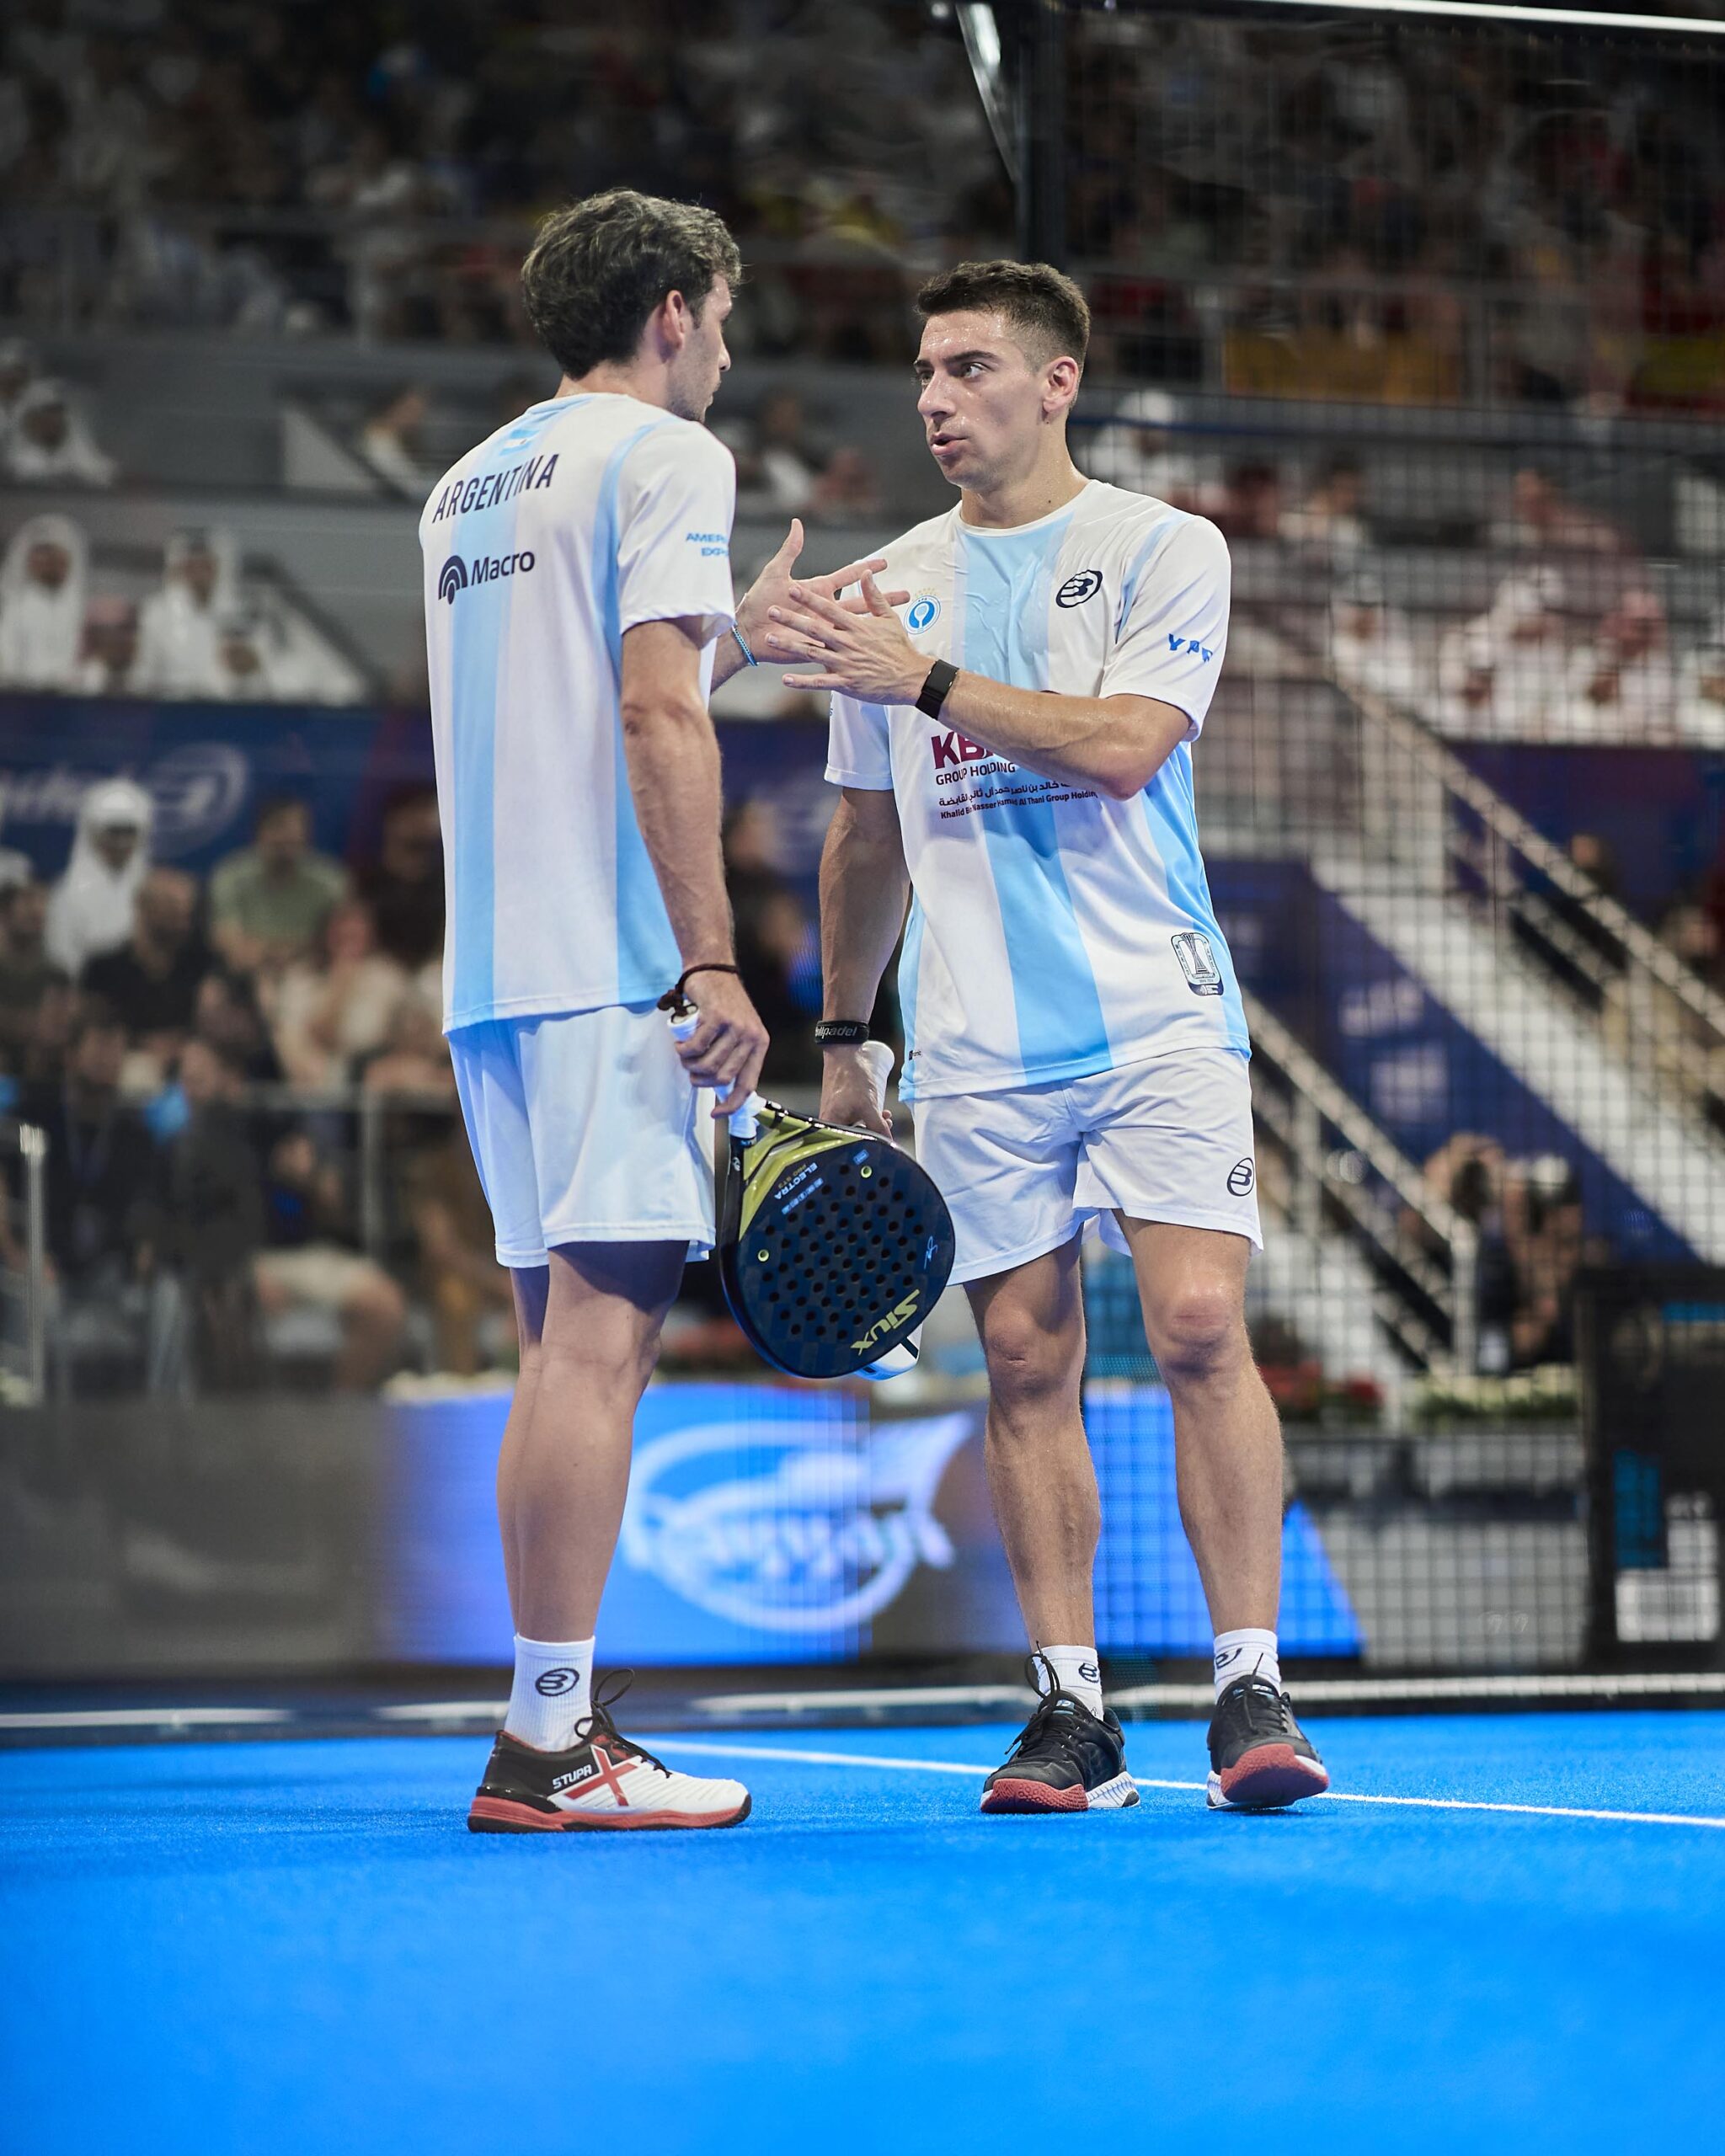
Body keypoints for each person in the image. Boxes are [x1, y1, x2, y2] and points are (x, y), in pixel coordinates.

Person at [768, 257, 1329, 1815]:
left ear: (1055, 380)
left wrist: (928, 678)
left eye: (968, 368)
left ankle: (1249, 1688)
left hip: (1158, 1014)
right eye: (924, 373)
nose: (936, 399)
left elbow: (1127, 747)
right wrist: (845, 1036)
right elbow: (865, 837)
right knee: (1022, 1360)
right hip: (974, 1046)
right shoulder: (881, 588)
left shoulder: (1163, 547)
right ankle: (1069, 1712)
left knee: (1199, 1327)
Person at [422, 187, 892, 1833]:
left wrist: (733, 640)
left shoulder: (465, 482)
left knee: (557, 1349)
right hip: (616, 968)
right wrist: (710, 960)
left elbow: (596, 688)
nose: (730, 354)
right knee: (601, 1347)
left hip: (493, 978)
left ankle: (544, 1718)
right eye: (727, 320)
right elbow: (642, 713)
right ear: (673, 311)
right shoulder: (667, 454)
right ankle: (550, 1747)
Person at [78, 867, 211, 1081]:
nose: (182, 919)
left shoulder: (203, 966)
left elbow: (214, 1024)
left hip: (190, 1061)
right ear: (142, 905)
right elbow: (94, 1028)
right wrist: (142, 1045)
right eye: (171, 907)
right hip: (121, 1062)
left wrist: (179, 1045)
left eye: (187, 910)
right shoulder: (103, 969)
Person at [270, 898, 409, 1087]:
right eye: (343, 935)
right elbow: (317, 1035)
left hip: (375, 1069)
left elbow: (398, 1036)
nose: (349, 942)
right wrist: (341, 986)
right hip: (318, 1075)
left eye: (356, 935)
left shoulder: (388, 977)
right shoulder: (301, 978)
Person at [208, 796, 348, 976]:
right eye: (278, 826)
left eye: (297, 829)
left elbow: (343, 943)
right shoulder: (231, 875)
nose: (288, 836)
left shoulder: (330, 881)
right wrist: (286, 951)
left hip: (312, 973)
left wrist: (268, 950)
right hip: (246, 972)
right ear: (259, 833)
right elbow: (227, 942)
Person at [45, 777, 152, 979]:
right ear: (93, 832)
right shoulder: (68, 893)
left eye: (130, 832)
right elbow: (62, 960)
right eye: (114, 832)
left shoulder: (152, 888)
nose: (122, 843)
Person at [132, 529, 239, 700]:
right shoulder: (156, 613)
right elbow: (143, 674)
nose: (200, 575)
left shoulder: (241, 612)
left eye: (206, 566)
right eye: (192, 567)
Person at [0, 513, 88, 692]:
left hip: (71, 698)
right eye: (45, 558)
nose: (51, 566)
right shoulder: (13, 608)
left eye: (58, 559)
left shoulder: (82, 611)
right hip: (21, 696)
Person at [2, 379, 115, 488]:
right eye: (43, 415)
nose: (51, 422)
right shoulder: (12, 466)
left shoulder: (81, 455)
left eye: (55, 415)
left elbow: (101, 472)